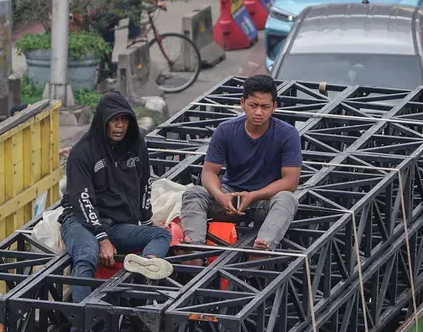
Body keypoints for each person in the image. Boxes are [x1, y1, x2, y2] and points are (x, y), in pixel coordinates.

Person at [61, 93, 173, 304]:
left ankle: (146, 264)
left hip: (117, 224)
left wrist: (146, 221)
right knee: (87, 254)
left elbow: (144, 184)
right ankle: (81, 331)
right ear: (103, 121)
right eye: (114, 120)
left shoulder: (136, 142)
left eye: (125, 120)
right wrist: (102, 238)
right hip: (80, 220)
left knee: (161, 236)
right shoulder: (82, 152)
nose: (120, 126)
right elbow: (82, 200)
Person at [180, 75, 301, 250]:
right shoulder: (225, 130)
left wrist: (254, 195)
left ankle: (263, 245)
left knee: (287, 199)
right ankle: (194, 246)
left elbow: (290, 181)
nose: (259, 112)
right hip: (231, 197)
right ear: (242, 103)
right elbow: (209, 172)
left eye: (265, 107)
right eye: (253, 105)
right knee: (194, 193)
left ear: (274, 107)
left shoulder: (288, 134)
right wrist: (220, 196)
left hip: (265, 200)